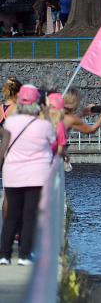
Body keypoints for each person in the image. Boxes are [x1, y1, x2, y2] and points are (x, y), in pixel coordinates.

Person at [0, 85, 55, 266]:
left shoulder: (10, 123)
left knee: (11, 215)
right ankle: (24, 255)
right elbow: (53, 141)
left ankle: (5, 255)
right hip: (35, 175)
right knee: (29, 214)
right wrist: (46, 114)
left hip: (12, 173)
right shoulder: (43, 125)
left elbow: (4, 147)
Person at [45, 93, 69, 171]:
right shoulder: (59, 125)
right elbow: (60, 150)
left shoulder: (39, 120)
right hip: (49, 164)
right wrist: (65, 156)